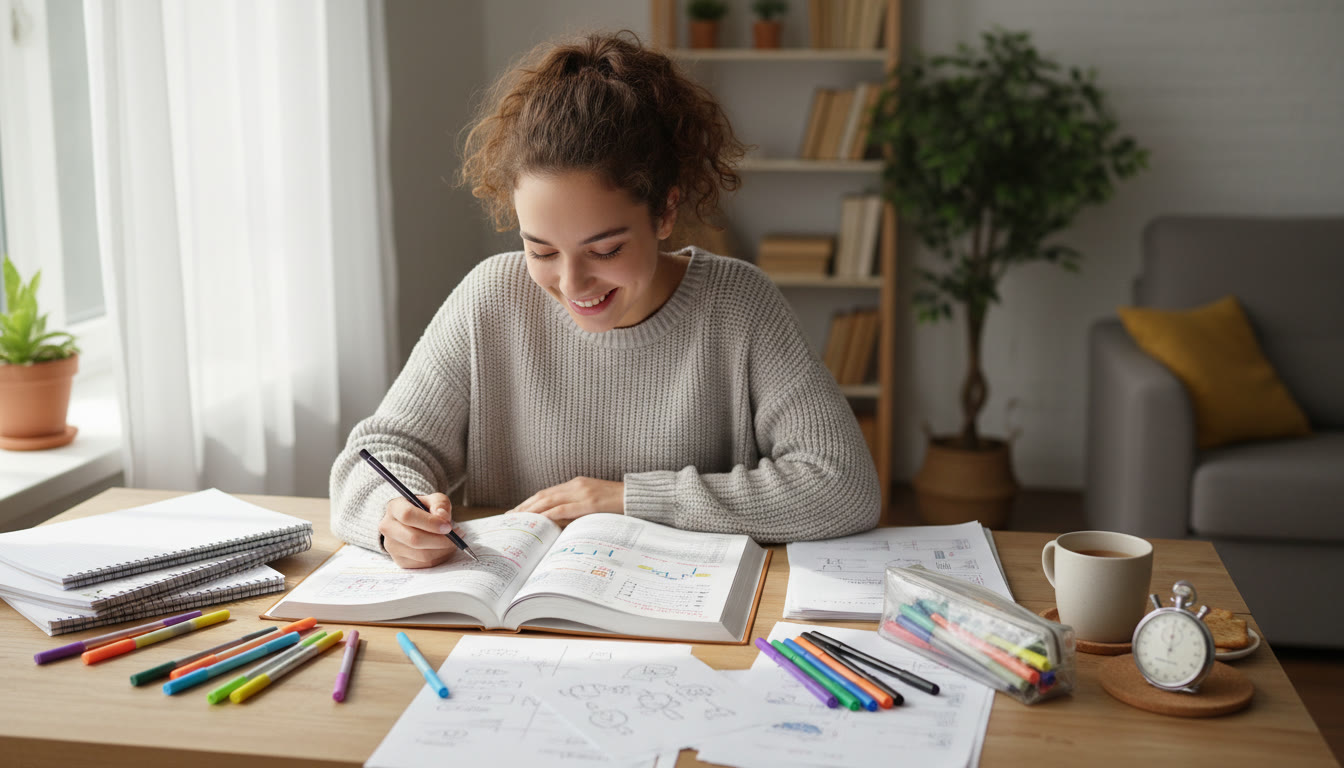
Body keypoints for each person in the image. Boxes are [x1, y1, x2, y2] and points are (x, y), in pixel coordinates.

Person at [330, 31, 880, 568]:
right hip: (518, 629)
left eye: (606, 248)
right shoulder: (490, 300)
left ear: (665, 212)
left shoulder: (739, 305)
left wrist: (630, 500)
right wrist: (391, 516)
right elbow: (373, 457)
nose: (572, 284)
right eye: (541, 250)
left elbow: (843, 485)